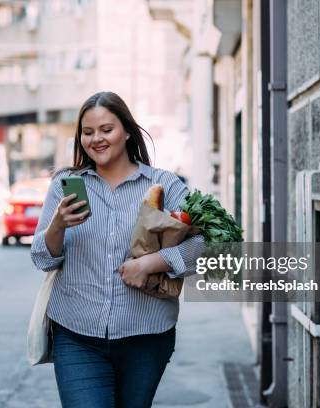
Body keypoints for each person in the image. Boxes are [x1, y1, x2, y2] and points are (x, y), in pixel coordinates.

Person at [30, 91, 205, 408]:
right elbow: (42, 258)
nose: (96, 139)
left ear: (127, 131)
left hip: (147, 336)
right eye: (87, 132)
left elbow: (207, 245)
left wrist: (152, 262)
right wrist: (57, 224)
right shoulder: (66, 186)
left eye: (106, 129)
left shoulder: (164, 185)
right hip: (77, 335)